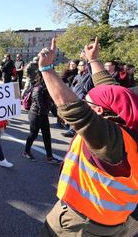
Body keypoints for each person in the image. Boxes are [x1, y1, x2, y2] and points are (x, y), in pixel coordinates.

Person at [40, 38, 138, 236]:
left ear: (100, 112)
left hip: (83, 224)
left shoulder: (110, 141)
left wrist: (47, 69)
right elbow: (112, 92)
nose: (85, 103)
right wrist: (94, 60)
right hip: (115, 222)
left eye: (88, 102)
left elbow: (73, 110)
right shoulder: (127, 124)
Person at [22, 70, 61, 164]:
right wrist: (50, 109)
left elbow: (51, 104)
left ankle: (50, 157)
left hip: (43, 114)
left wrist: (58, 115)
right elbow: (41, 105)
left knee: (47, 135)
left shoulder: (47, 88)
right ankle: (26, 151)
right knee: (33, 134)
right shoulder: (38, 88)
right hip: (35, 114)